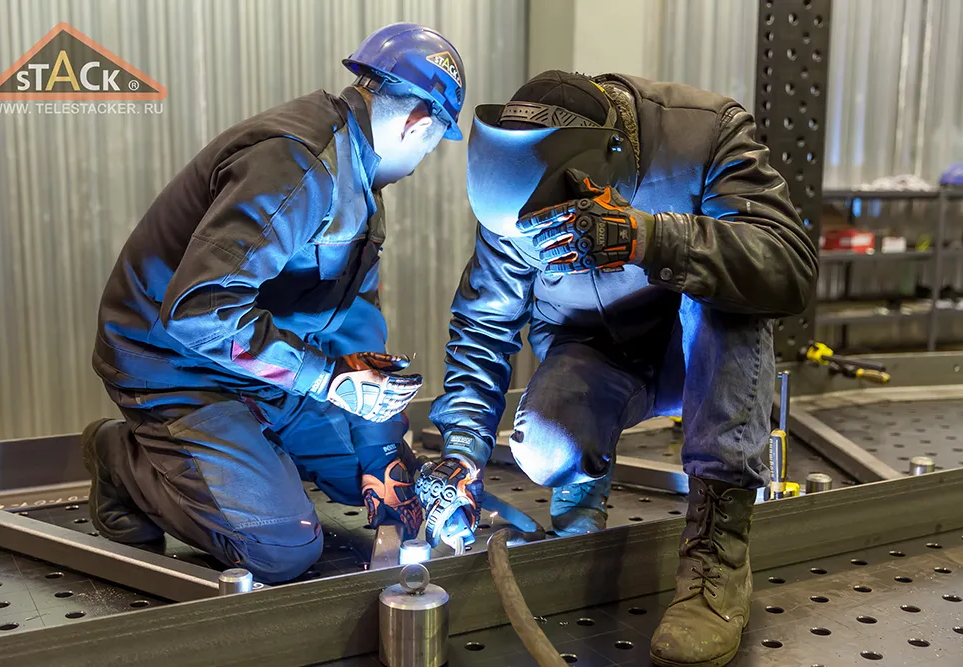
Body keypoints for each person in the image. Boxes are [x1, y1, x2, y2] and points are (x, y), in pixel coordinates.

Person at [416, 70, 816, 667]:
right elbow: (483, 327)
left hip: (697, 357)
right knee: (545, 444)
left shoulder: (707, 134)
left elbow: (788, 266)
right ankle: (579, 508)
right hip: (599, 357)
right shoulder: (522, 191)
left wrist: (649, 239)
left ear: (606, 165)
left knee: (728, 297)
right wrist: (463, 452)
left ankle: (717, 557)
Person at [80, 23, 466, 584]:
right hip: (171, 364)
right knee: (282, 548)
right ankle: (119, 458)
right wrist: (325, 381)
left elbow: (352, 320)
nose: (424, 158)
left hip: (257, 363)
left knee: (377, 476)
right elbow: (199, 311)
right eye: (432, 146)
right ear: (420, 124)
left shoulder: (359, 175)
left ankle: (253, 454)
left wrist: (383, 449)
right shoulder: (298, 165)